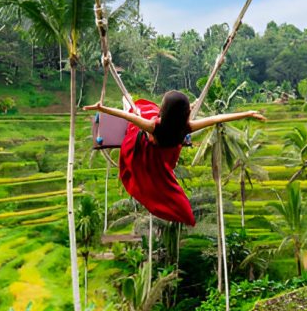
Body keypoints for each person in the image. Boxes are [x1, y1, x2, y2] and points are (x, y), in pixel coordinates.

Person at [84, 90, 265, 226]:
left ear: (165, 111)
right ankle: (134, 102)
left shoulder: (154, 126)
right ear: (185, 114)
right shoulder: (187, 127)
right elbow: (217, 118)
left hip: (141, 149)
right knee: (144, 110)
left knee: (138, 110)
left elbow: (127, 116)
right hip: (160, 153)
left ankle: (128, 100)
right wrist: (247, 113)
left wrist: (101, 108)